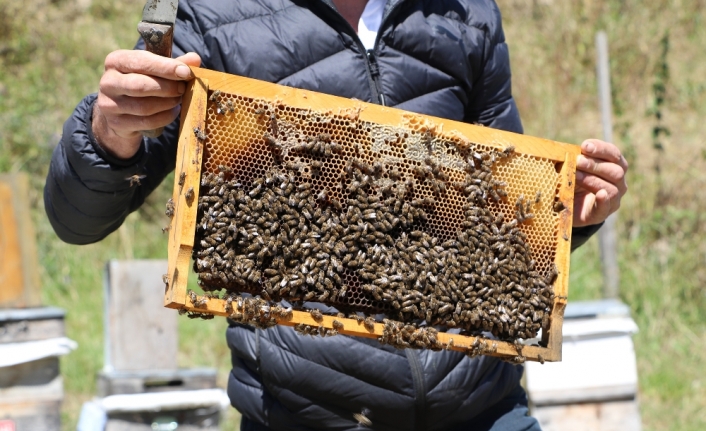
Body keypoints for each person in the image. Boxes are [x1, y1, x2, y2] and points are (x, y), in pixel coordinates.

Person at [45, 0, 628, 429]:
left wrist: (565, 217)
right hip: (307, 412)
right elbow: (80, 220)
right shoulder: (213, 15)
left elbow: (501, 214)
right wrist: (107, 135)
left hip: (482, 406)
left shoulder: (464, 12)